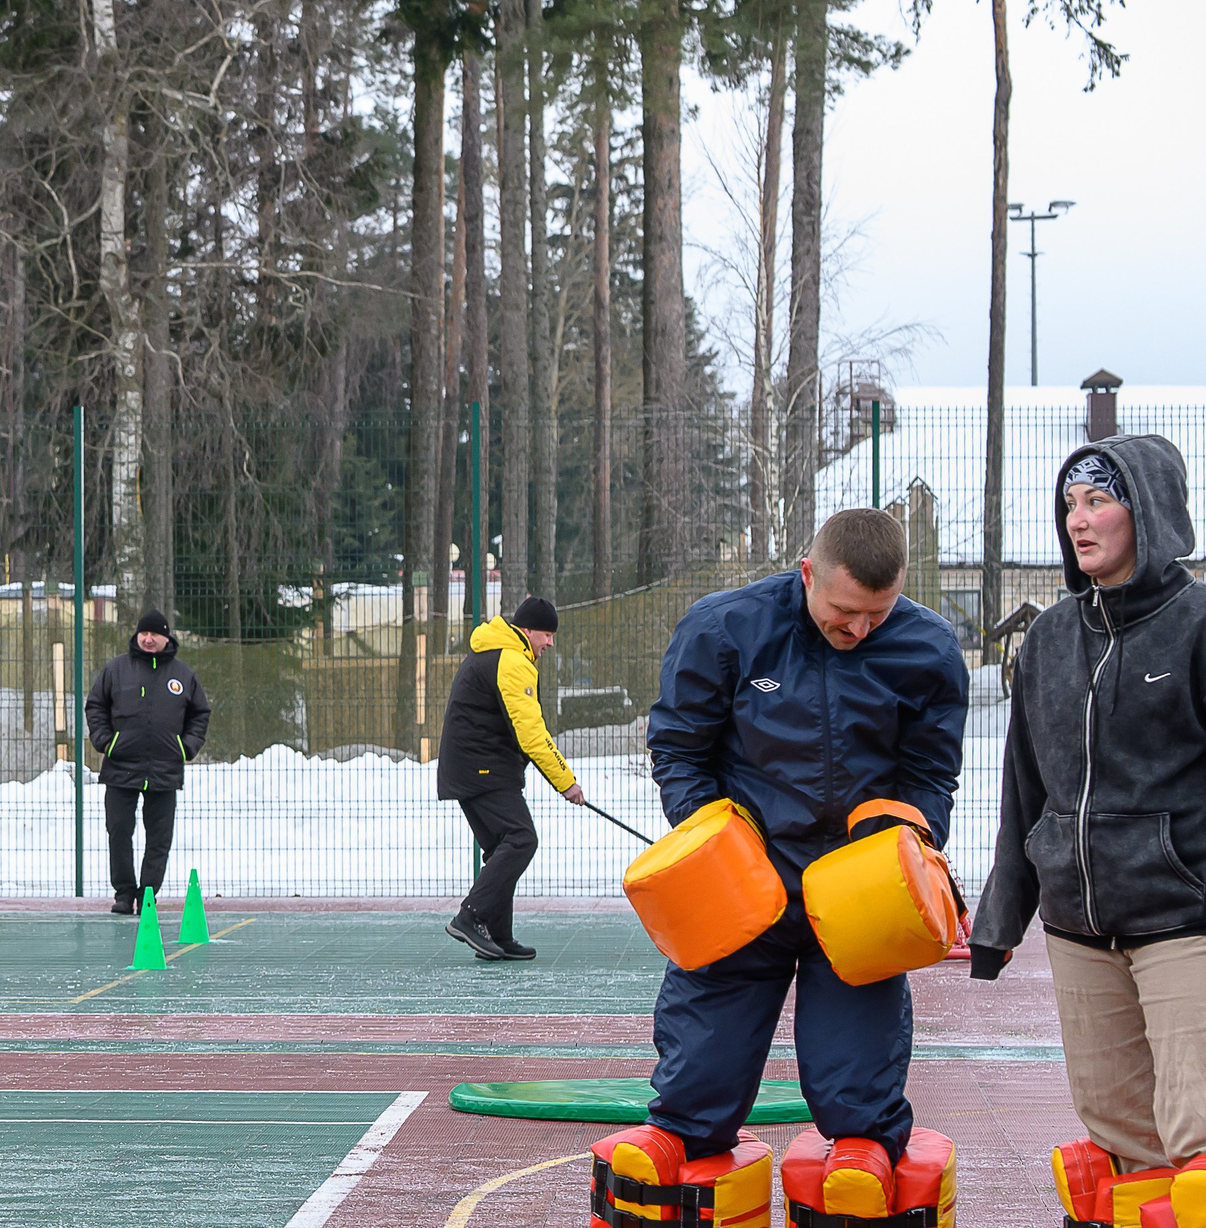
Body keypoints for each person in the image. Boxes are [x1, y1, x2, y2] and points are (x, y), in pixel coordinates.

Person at [643, 508, 968, 1163]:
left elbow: (931, 771)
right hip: (744, 878)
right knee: (698, 1076)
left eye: (878, 613)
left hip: (860, 890)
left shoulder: (928, 646)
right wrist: (712, 836)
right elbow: (678, 748)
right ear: (807, 573)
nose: (859, 628)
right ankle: (678, 1198)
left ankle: (863, 1183)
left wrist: (906, 838)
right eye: (845, 610)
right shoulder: (726, 626)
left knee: (861, 1090)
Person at [971, 435, 1205, 1170]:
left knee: (1196, 1122)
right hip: (1077, 927)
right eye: (1070, 503)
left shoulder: (1197, 626)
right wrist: (1002, 916)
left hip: (1183, 918)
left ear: (1150, 510)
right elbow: (1023, 785)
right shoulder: (1047, 639)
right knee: (1118, 1126)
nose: (1079, 518)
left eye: (1099, 499)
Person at [437, 596, 584, 959]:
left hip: (472, 767)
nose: (550, 643)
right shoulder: (512, 661)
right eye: (547, 635)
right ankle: (470, 917)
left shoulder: (499, 653)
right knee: (521, 839)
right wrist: (566, 782)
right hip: (481, 769)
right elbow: (532, 732)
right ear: (527, 630)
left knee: (503, 843)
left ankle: (498, 934)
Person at [84, 609, 210, 915]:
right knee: (119, 832)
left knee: (159, 838)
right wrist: (106, 741)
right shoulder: (116, 670)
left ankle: (148, 894)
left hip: (165, 770)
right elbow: (95, 706)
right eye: (144, 634)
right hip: (120, 768)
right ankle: (124, 894)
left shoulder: (183, 675)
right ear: (137, 635)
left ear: (167, 638)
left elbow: (200, 714)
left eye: (155, 634)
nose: (149, 639)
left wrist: (185, 748)